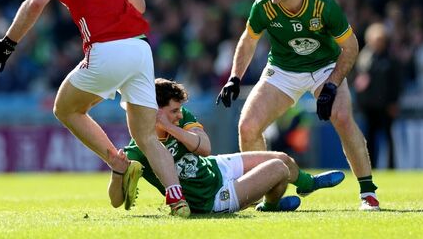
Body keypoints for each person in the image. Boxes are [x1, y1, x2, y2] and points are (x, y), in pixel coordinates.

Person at [0, 0, 189, 216]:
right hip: (140, 48)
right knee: (145, 136)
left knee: (65, 108)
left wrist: (9, 43)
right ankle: (177, 199)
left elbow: (36, 2)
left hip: (107, 48)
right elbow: (140, 5)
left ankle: (116, 161)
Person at [217, 0, 380, 210]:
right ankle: (264, 195)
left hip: (325, 67)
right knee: (247, 127)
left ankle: (368, 193)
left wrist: (331, 85)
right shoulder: (263, 7)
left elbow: (350, 48)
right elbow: (248, 41)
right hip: (283, 70)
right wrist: (234, 78)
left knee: (342, 118)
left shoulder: (323, 5)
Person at [108, 78, 345, 214]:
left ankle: (305, 185)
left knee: (282, 157)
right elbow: (117, 201)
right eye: (174, 111)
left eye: (180, 110)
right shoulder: (138, 149)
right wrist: (117, 173)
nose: (180, 115)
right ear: (155, 110)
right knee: (278, 170)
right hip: (211, 198)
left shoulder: (179, 120)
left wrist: (169, 127)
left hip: (214, 166)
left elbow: (204, 148)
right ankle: (271, 205)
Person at [355, 22, 403, 169]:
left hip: (386, 106)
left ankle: (391, 167)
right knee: (369, 139)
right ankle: (371, 167)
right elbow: (358, 82)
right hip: (369, 107)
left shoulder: (391, 59)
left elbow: (397, 82)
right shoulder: (364, 58)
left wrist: (394, 102)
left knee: (388, 138)